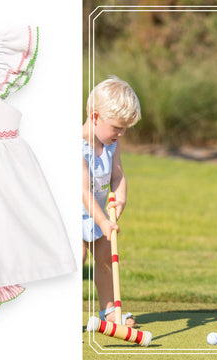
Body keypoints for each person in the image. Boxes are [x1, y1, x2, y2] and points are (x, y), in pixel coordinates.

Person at [82, 76, 141, 326]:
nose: (121, 133)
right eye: (117, 127)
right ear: (95, 117)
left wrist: (121, 199)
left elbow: (117, 175)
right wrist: (104, 221)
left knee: (105, 259)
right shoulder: (75, 147)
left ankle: (109, 311)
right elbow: (83, 191)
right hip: (70, 215)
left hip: (99, 217)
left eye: (125, 128)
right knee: (77, 259)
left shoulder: (111, 146)